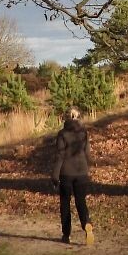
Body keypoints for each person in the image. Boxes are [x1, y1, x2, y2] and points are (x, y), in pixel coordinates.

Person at [50, 105, 94, 245]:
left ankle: (66, 234)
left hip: (66, 173)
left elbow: (59, 156)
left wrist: (55, 175)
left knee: (65, 204)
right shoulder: (84, 132)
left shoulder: (62, 134)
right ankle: (86, 223)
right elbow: (87, 153)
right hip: (82, 172)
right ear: (78, 117)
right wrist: (88, 168)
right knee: (81, 201)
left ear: (66, 117)